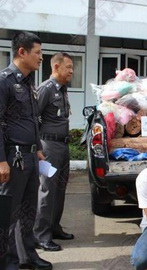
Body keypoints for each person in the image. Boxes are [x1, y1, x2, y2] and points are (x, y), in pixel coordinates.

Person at [0, 32, 52, 270]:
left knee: (28, 211)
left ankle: (27, 257)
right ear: (22, 52)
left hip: (30, 155)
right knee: (9, 214)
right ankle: (8, 262)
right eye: (37, 53)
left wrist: (38, 149)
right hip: (13, 157)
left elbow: (32, 120)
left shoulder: (29, 82)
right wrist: (1, 161)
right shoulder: (5, 82)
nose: (41, 58)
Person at [33, 52, 74, 252]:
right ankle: (41, 235)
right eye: (69, 67)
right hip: (48, 148)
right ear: (56, 67)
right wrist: (38, 148)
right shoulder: (46, 89)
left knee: (60, 189)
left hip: (62, 146)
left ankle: (54, 227)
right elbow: (33, 119)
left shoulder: (63, 90)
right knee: (47, 190)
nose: (72, 71)